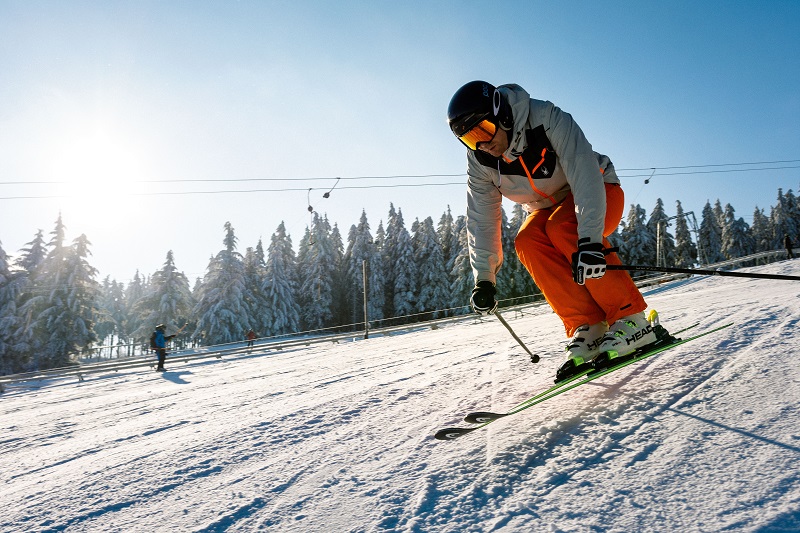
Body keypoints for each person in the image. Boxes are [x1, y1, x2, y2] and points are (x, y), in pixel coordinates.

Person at [447, 81, 659, 382]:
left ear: (502, 114)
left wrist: (589, 240)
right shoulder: (481, 161)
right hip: (546, 209)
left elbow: (584, 173)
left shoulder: (545, 117)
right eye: (470, 139)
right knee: (527, 241)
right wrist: (484, 279)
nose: (482, 144)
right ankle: (590, 325)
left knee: (562, 227)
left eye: (483, 131)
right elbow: (482, 217)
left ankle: (632, 318)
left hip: (598, 189)